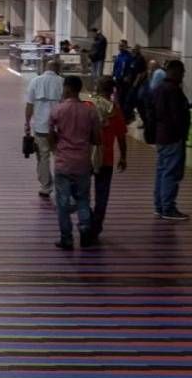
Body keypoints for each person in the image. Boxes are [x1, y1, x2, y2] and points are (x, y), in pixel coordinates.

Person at [47, 75, 103, 249]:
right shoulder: (90, 111)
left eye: (64, 88)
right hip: (82, 163)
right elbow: (96, 139)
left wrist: (55, 149)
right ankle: (85, 233)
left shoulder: (58, 110)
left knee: (63, 202)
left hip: (63, 163)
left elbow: (50, 133)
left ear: (69, 89)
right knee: (83, 199)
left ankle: (67, 238)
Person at [90, 76, 128, 237]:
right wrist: (124, 157)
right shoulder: (115, 110)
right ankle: (96, 225)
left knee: (82, 190)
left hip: (86, 155)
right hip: (106, 157)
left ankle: (85, 219)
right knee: (102, 193)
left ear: (98, 88)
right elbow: (121, 136)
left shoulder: (89, 106)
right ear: (112, 91)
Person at [153, 60, 190, 221]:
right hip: (173, 136)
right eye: (182, 72)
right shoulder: (173, 91)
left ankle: (160, 206)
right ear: (175, 71)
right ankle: (168, 207)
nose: (183, 76)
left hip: (161, 135)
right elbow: (177, 116)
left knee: (162, 171)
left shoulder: (159, 88)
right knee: (171, 172)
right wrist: (183, 132)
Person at [25, 58, 64, 198]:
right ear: (58, 69)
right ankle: (62, 186)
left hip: (40, 126)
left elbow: (29, 105)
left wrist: (27, 124)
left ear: (45, 67)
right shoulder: (62, 82)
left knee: (43, 156)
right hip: (59, 128)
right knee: (60, 156)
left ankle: (45, 187)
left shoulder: (35, 81)